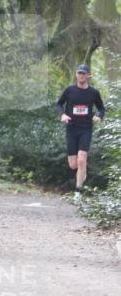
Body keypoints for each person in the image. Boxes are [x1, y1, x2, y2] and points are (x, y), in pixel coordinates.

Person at [56, 64, 105, 203]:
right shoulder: (69, 90)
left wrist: (99, 116)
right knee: (74, 164)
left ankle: (78, 192)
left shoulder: (94, 93)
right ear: (76, 75)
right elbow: (59, 104)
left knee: (82, 159)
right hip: (71, 129)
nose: (81, 75)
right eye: (79, 73)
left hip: (86, 129)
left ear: (88, 75)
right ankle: (82, 170)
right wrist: (63, 115)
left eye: (83, 73)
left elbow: (101, 109)